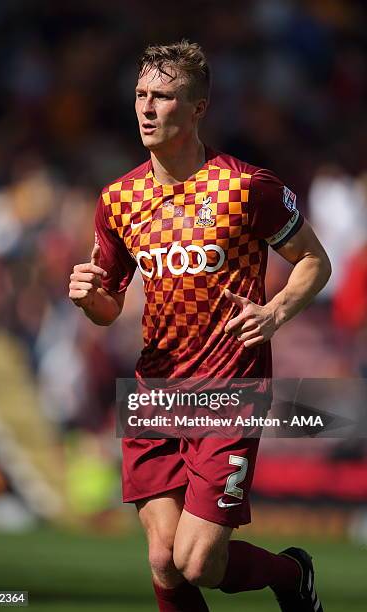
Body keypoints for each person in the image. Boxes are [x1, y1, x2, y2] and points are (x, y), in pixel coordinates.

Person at [69, 40, 331, 612]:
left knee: (197, 562)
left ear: (198, 108)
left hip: (228, 391)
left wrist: (276, 311)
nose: (146, 108)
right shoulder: (118, 199)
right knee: (164, 561)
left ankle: (290, 576)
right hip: (154, 392)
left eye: (162, 97)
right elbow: (110, 302)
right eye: (140, 95)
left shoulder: (245, 187)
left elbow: (315, 261)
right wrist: (91, 299)